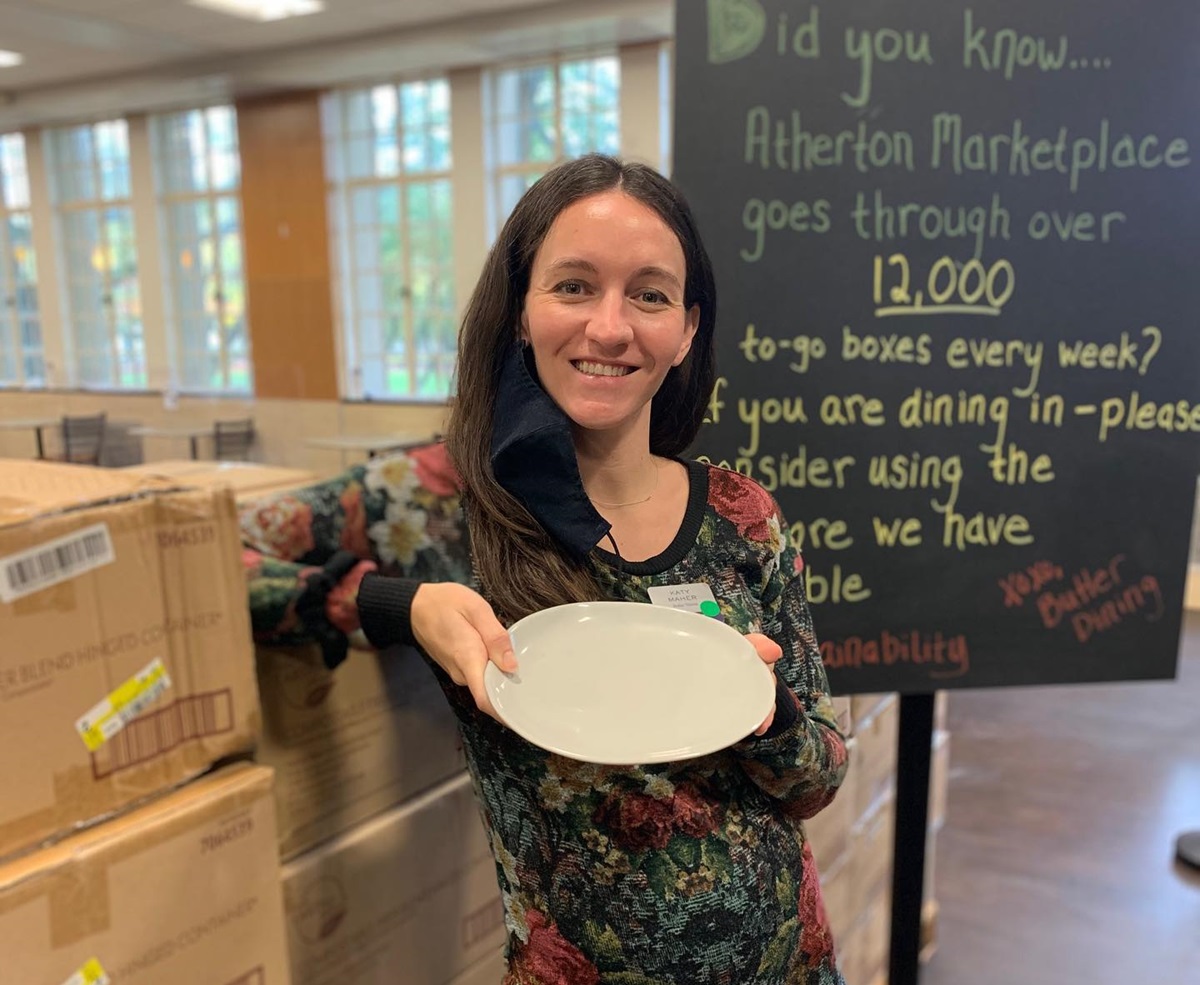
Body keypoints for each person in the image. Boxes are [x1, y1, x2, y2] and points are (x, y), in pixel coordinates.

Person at [240, 154, 849, 984]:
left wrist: (764, 711)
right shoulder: (439, 499)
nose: (610, 326)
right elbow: (222, 561)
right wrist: (398, 605)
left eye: (649, 293)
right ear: (521, 312)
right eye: (573, 286)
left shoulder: (743, 517)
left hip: (791, 965)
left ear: (688, 329)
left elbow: (819, 774)